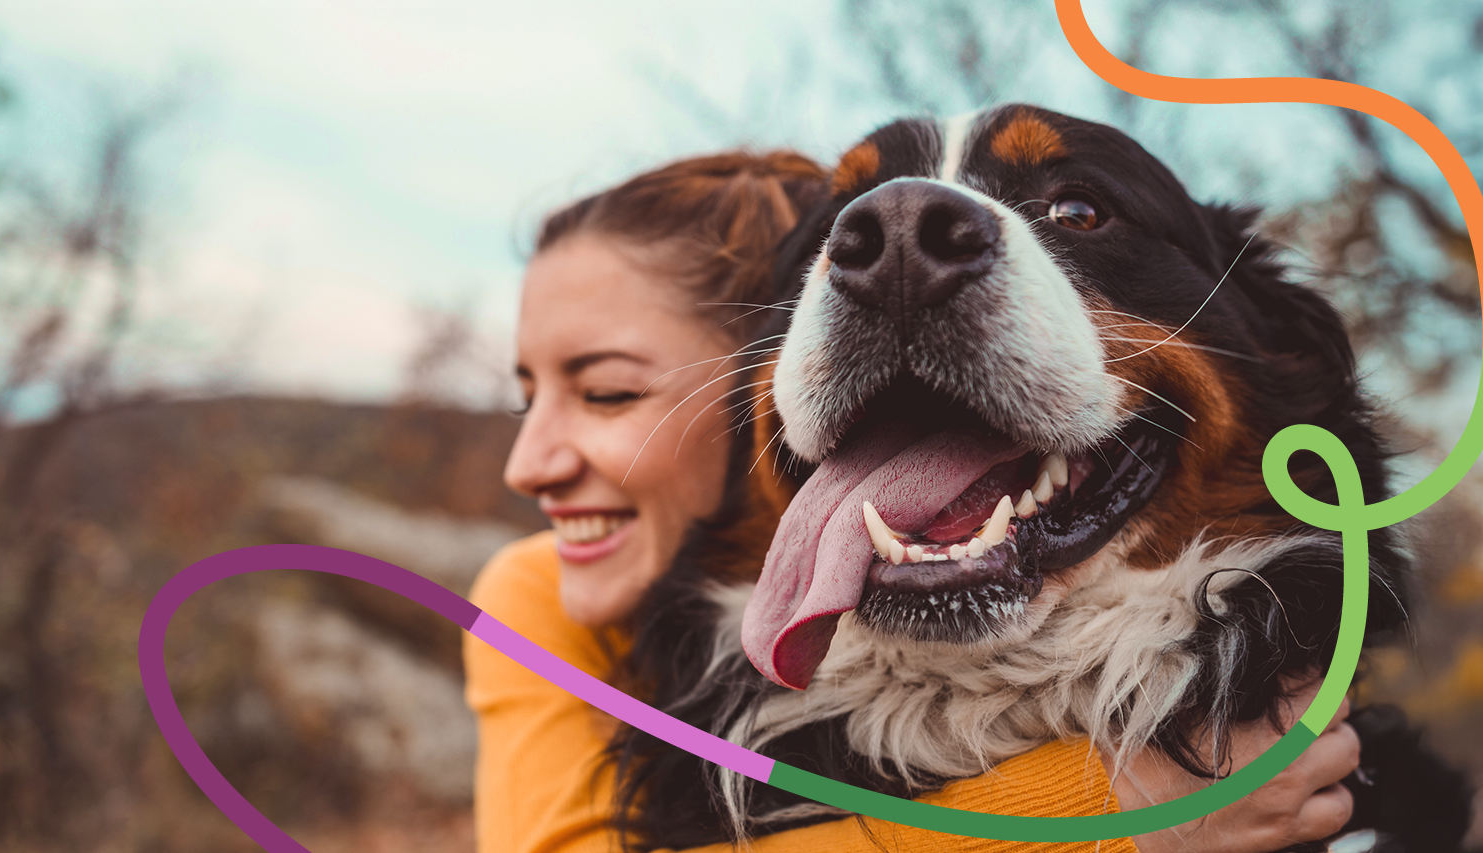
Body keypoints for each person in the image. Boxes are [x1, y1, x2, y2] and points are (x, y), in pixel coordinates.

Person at [467, 151, 1363, 853]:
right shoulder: (534, 595)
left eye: (609, 393)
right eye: (525, 396)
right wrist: (1112, 812)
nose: (526, 463)